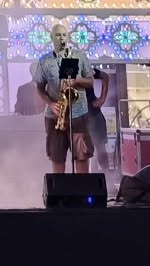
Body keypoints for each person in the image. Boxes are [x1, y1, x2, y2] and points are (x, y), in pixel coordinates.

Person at [32, 20, 99, 174]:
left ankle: (82, 192)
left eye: (64, 35)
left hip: (78, 113)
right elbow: (39, 87)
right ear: (51, 37)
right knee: (57, 156)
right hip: (55, 115)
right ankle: (60, 194)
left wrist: (76, 81)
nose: (61, 38)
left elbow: (90, 82)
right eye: (57, 35)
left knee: (81, 155)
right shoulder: (44, 61)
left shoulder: (79, 56)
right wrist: (50, 104)